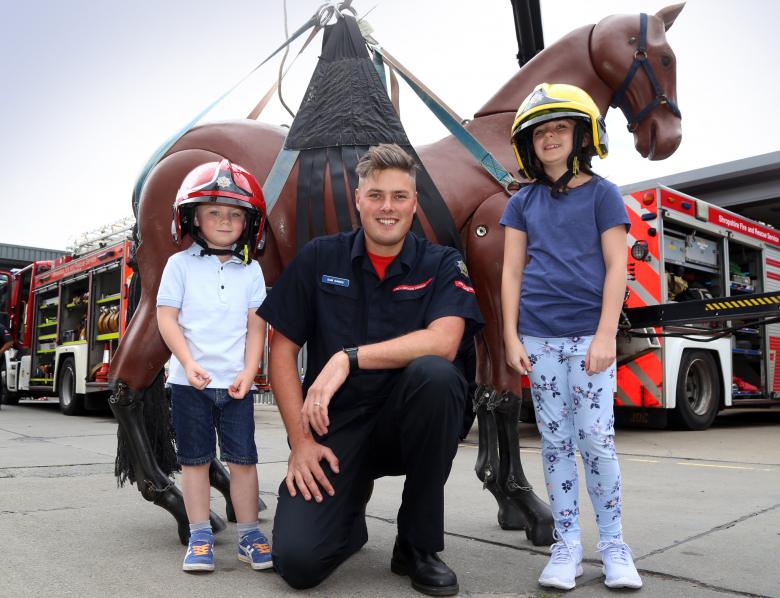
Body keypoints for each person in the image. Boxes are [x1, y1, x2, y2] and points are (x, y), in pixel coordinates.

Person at [258, 143, 483, 596]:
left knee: (438, 378)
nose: (388, 207)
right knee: (298, 564)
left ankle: (417, 546)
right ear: (358, 200)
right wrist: (300, 443)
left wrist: (349, 356)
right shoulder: (320, 258)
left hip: (407, 423)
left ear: (414, 204)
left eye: (400, 196)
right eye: (376, 195)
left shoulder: (439, 263)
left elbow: (444, 342)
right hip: (335, 428)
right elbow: (280, 349)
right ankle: (348, 519)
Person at [500, 83, 642, 591]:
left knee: (597, 442)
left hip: (588, 339)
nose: (550, 136)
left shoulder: (603, 194)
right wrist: (511, 337)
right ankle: (566, 547)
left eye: (560, 127)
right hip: (537, 339)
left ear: (583, 135)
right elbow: (511, 273)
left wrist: (606, 334)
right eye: (540, 131)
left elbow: (616, 266)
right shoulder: (521, 203)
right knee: (556, 443)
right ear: (528, 145)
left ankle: (613, 545)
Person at [156, 159, 272, 573]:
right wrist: (187, 363)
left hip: (237, 386)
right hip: (190, 385)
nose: (225, 220)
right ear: (192, 218)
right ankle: (201, 535)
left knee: (244, 461)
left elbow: (256, 327)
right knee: (196, 461)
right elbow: (167, 318)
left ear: (249, 222)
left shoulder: (252, 271)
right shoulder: (179, 265)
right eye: (214, 211)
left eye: (235, 214)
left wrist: (249, 370)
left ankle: (249, 536)